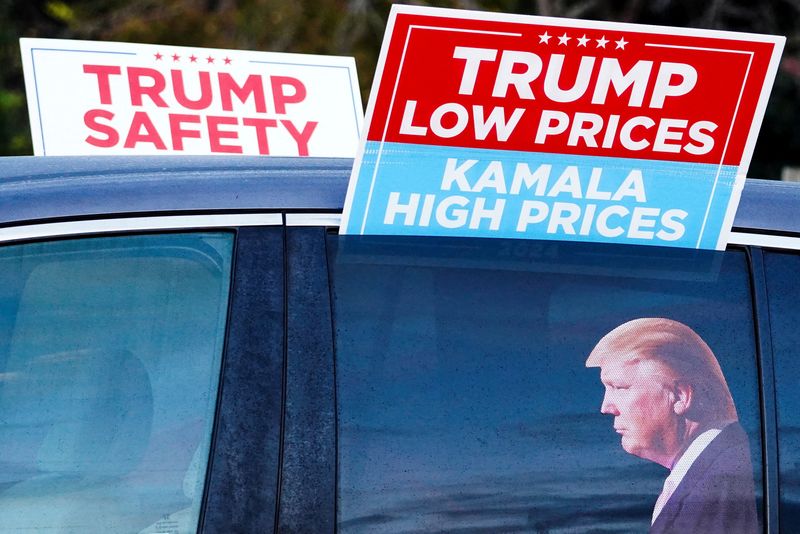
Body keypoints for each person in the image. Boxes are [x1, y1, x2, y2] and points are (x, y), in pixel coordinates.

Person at [585, 317, 757, 534]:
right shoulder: (716, 472)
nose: (606, 407)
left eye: (619, 387)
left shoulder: (721, 485)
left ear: (680, 396)